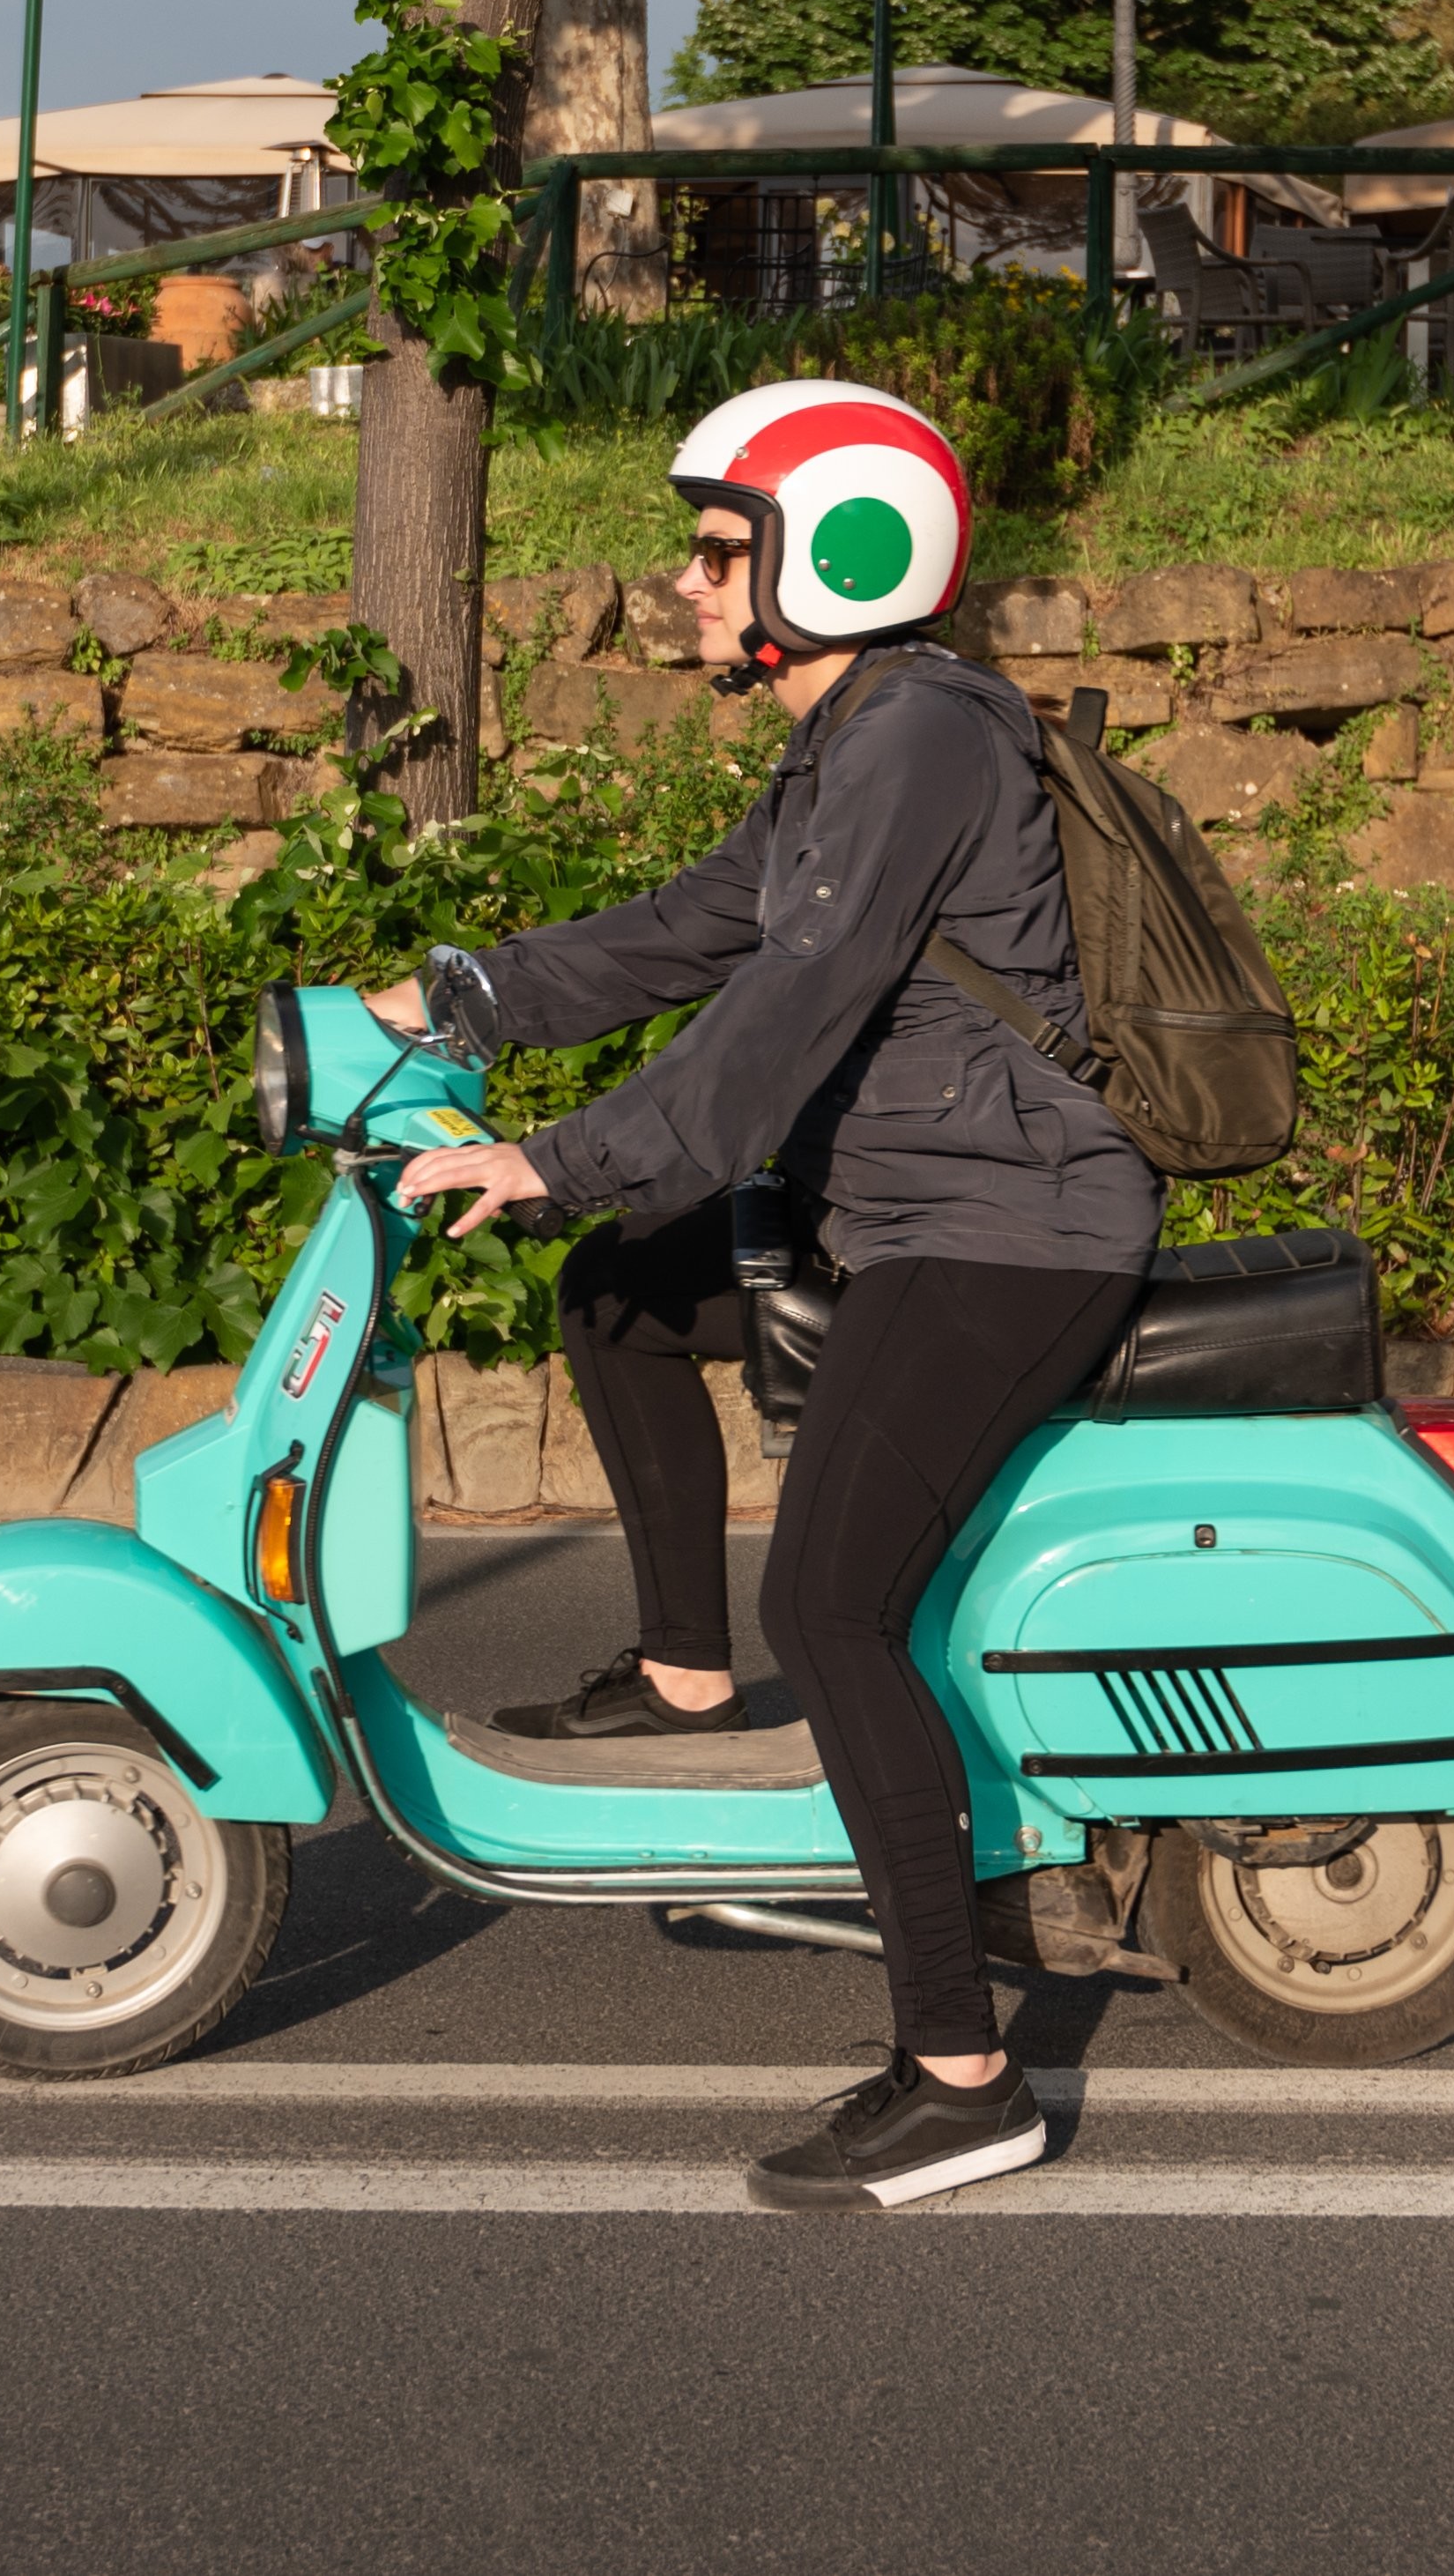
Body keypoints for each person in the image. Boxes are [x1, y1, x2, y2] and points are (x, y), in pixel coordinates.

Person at [375, 380, 1161, 2213]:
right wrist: (449, 1000)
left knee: (834, 1603)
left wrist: (551, 1151)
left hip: (1007, 1227)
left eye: (719, 547)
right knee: (627, 1293)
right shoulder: (848, 738)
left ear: (843, 550)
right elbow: (689, 929)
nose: (685, 578)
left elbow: (781, 1011)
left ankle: (964, 2073)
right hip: (905, 1198)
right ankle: (670, 1669)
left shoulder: (922, 741)